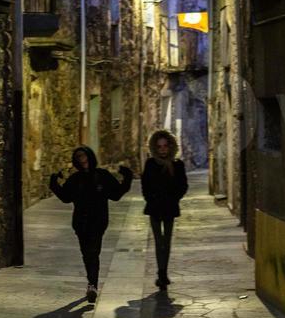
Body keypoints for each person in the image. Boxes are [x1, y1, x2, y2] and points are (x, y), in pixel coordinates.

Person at [49, 146, 133, 304]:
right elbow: (66, 197)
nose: (82, 160)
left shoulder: (102, 176)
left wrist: (126, 178)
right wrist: (54, 183)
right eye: (79, 157)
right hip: (81, 222)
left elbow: (116, 194)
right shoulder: (75, 179)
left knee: (93, 252)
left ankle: (92, 285)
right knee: (87, 253)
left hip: (98, 221)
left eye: (84, 156)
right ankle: (92, 284)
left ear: (90, 157)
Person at [141, 129, 188, 293]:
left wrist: (173, 198)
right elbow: (145, 184)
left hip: (169, 207)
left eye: (165, 146)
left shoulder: (177, 165)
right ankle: (161, 273)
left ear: (170, 147)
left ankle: (163, 273)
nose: (162, 149)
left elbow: (183, 186)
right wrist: (150, 198)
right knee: (158, 241)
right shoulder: (150, 164)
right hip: (154, 207)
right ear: (155, 147)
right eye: (159, 146)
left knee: (166, 241)